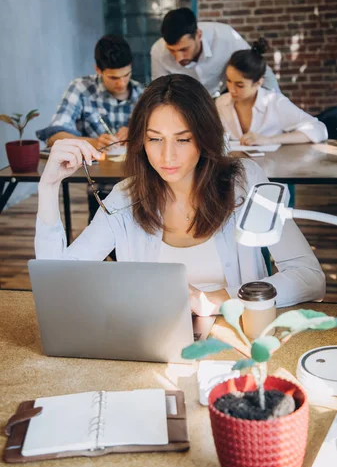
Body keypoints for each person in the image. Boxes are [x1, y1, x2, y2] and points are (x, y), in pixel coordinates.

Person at [35, 74, 325, 314]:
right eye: (154, 139)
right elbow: (57, 284)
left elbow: (309, 277)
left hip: (237, 336)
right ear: (141, 141)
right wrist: (47, 188)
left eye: (183, 139)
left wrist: (216, 300)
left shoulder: (244, 181)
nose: (167, 156)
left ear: (205, 137)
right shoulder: (126, 198)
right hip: (154, 343)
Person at [36, 34, 144, 221]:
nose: (121, 83)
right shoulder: (81, 89)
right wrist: (93, 142)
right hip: (99, 188)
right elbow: (54, 135)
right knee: (103, 235)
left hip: (139, 186)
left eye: (126, 75)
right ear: (98, 70)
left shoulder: (143, 94)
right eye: (113, 77)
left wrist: (137, 133)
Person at [215, 38, 328, 145]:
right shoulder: (221, 103)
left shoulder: (275, 102)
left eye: (240, 85)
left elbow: (319, 129)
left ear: (258, 82)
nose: (231, 89)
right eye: (228, 81)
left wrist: (269, 140)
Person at [150, 8, 279, 97]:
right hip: (189, 101)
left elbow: (258, 69)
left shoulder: (226, 37)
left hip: (226, 93)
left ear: (198, 35)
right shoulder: (158, 52)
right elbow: (160, 91)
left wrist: (277, 103)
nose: (178, 58)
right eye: (172, 50)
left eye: (184, 49)